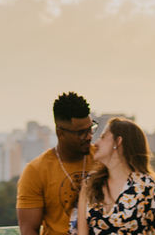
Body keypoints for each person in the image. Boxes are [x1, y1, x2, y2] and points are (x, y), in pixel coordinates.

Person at [17, 92, 97, 235]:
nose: (89, 136)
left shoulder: (103, 159)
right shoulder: (36, 171)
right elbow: (29, 230)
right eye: (81, 132)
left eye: (90, 129)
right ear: (61, 134)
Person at [72, 117, 155, 235]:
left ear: (118, 141)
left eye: (103, 137)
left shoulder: (147, 188)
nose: (96, 143)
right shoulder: (90, 183)